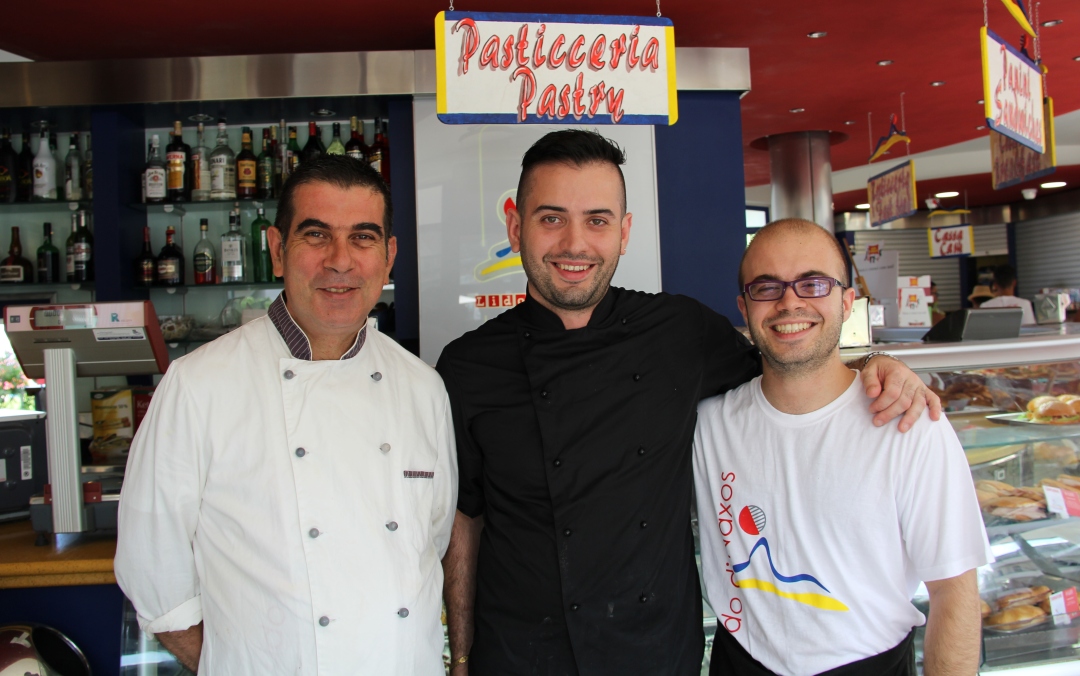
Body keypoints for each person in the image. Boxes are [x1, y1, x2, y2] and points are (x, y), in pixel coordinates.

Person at [436, 130, 941, 675]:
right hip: (517, 657)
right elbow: (466, 518)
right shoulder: (468, 366)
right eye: (551, 218)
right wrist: (461, 656)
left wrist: (872, 364)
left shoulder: (680, 331)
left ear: (625, 232)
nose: (575, 243)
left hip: (653, 656)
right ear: (516, 227)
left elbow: (792, 369)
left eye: (598, 220)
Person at [115, 155, 457, 674]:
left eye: (363, 238)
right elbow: (155, 576)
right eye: (316, 235)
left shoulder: (423, 388)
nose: (340, 261)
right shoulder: (197, 385)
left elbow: (432, 542)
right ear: (277, 250)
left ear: (388, 257)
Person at [694, 218, 989, 676]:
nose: (790, 302)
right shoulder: (708, 425)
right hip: (741, 664)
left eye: (813, 284)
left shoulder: (909, 424)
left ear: (847, 302)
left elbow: (954, 593)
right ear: (744, 306)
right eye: (767, 287)